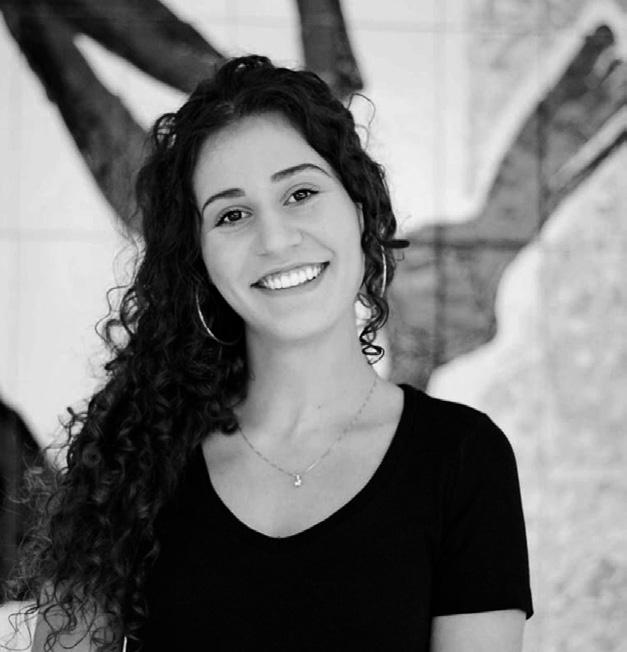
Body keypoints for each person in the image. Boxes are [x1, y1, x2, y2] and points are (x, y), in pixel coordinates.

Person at [8, 55, 533, 651]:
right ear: (199, 257)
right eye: (232, 215)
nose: (276, 239)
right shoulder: (131, 455)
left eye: (300, 193)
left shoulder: (463, 458)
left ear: (359, 210)